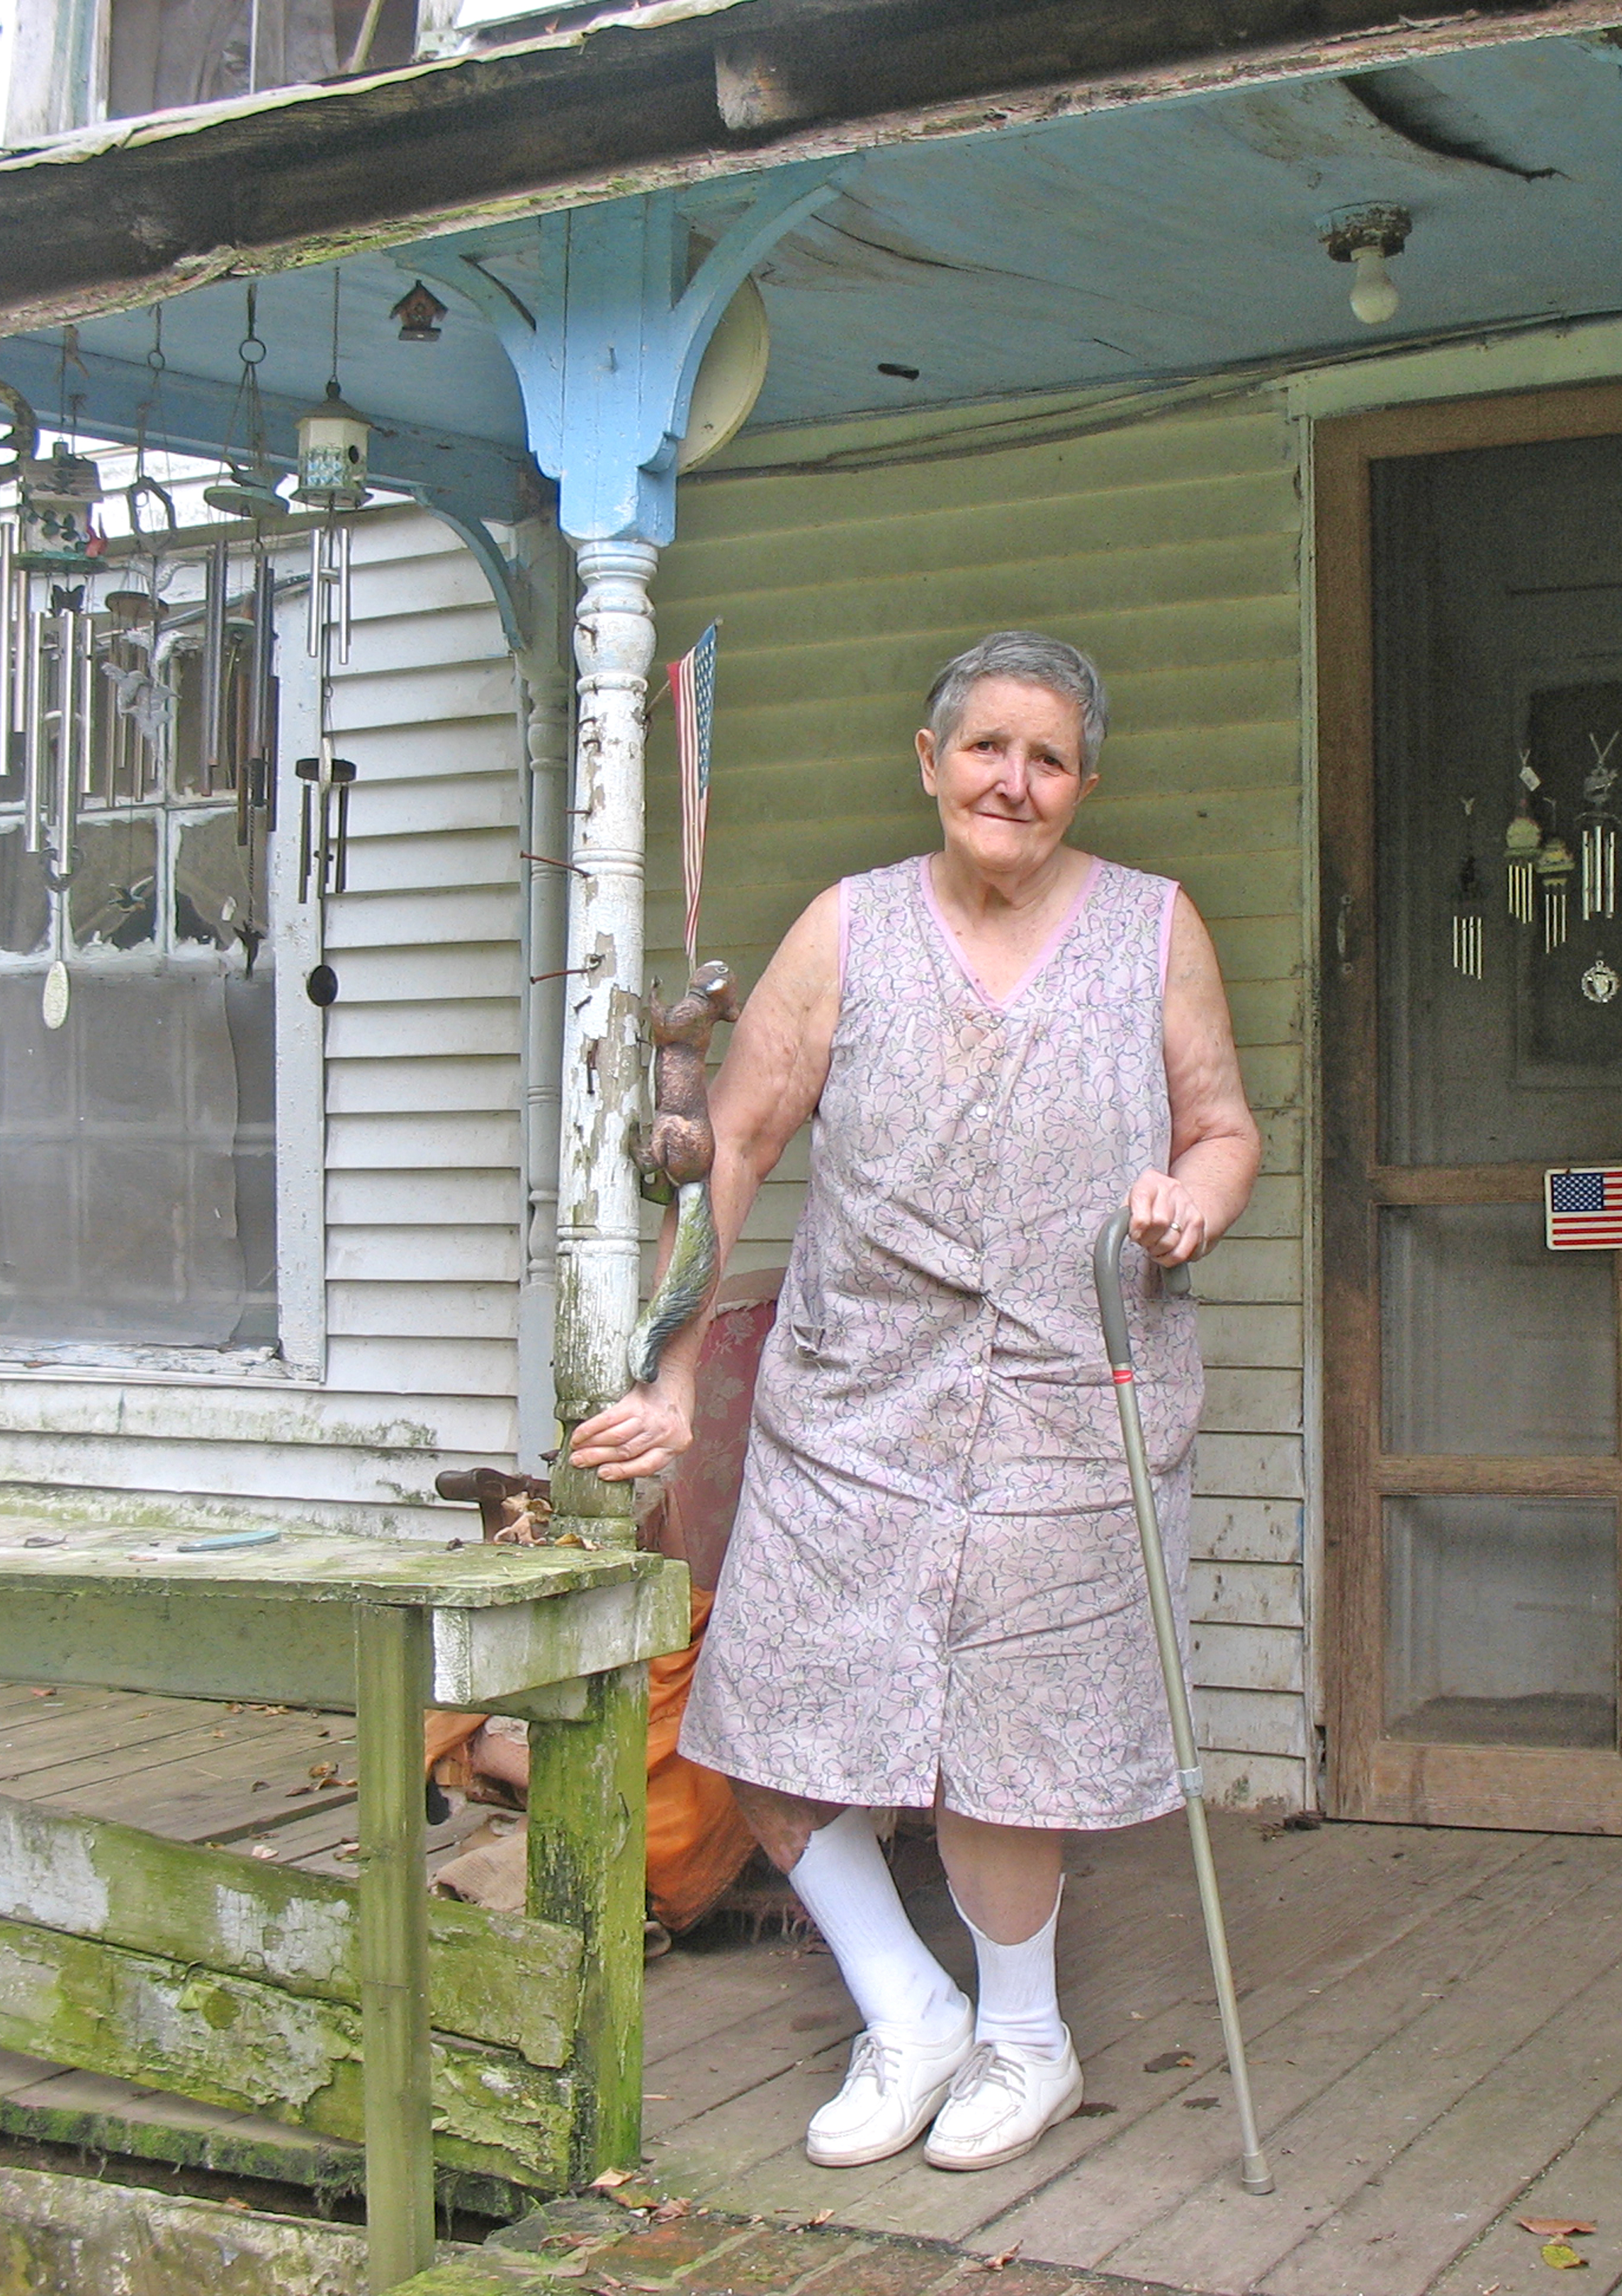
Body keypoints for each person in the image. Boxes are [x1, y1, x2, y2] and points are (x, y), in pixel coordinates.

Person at [568, 631, 1261, 2173]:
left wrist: (1191, 1206)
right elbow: (733, 1147)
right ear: (931, 760)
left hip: (1073, 1394)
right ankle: (909, 2009)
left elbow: (1222, 1128)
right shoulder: (848, 930)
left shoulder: (1152, 928)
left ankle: (1025, 2039)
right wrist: (676, 1377)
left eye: (1050, 756)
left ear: (1085, 781)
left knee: (1016, 1738)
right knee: (767, 1701)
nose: (1014, 781)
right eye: (987, 748)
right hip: (858, 1398)